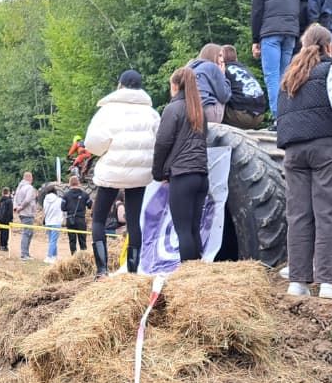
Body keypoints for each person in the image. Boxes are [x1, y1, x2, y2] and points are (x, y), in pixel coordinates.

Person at [277, 24, 332, 299]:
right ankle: (326, 283)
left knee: (299, 215)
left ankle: (298, 282)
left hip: (293, 151)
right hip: (326, 147)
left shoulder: (290, 74)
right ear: (329, 48)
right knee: (328, 214)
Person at [83, 69, 160, 277]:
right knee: (134, 222)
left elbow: (92, 144)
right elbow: (158, 143)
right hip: (140, 174)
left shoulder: (107, 112)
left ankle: (101, 270)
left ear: (120, 85)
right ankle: (133, 272)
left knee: (98, 219)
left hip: (112, 172)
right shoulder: (152, 113)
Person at [153, 67, 211, 263]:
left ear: (175, 86)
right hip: (201, 175)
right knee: (194, 228)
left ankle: (187, 274)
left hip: (182, 175)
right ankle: (197, 273)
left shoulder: (173, 109)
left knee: (183, 230)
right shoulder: (200, 111)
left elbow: (162, 143)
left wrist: (158, 172)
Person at [250, 0, 304, 120]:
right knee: (285, 77)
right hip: (291, 31)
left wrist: (255, 38)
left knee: (272, 76)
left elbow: (257, 7)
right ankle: (287, 117)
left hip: (270, 31)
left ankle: (277, 117)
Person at [220, 45, 267, 129]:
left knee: (215, 100)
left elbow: (220, 93)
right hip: (260, 115)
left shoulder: (223, 70)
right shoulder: (245, 69)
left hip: (241, 116)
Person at [187, 44, 232, 124]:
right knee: (222, 92)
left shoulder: (190, 69)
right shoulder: (213, 67)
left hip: (190, 113)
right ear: (213, 55)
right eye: (220, 56)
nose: (222, 60)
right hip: (208, 115)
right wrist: (223, 75)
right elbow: (224, 96)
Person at [61, 176, 92, 255]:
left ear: (69, 183)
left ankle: (73, 256)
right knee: (82, 240)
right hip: (81, 219)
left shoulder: (66, 195)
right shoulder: (85, 194)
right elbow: (90, 205)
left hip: (70, 219)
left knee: (72, 240)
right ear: (78, 183)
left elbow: (63, 208)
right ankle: (83, 257)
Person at [13, 172, 38, 260]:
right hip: (27, 213)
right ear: (30, 178)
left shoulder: (19, 187)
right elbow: (27, 200)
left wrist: (16, 207)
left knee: (28, 233)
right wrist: (21, 207)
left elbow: (15, 197)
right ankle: (24, 254)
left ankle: (26, 253)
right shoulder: (30, 188)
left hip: (22, 213)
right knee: (27, 233)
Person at [42, 183, 64, 263]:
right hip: (56, 221)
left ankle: (54, 256)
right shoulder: (59, 200)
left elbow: (44, 210)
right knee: (53, 241)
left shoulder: (45, 200)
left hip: (48, 221)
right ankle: (49, 256)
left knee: (51, 240)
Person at [0, 186, 13, 251]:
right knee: (6, 233)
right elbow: (10, 211)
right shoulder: (9, 201)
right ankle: (5, 246)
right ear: (8, 192)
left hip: (1, 219)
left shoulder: (1, 200)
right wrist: (11, 219)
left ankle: (1, 245)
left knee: (2, 232)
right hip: (6, 220)